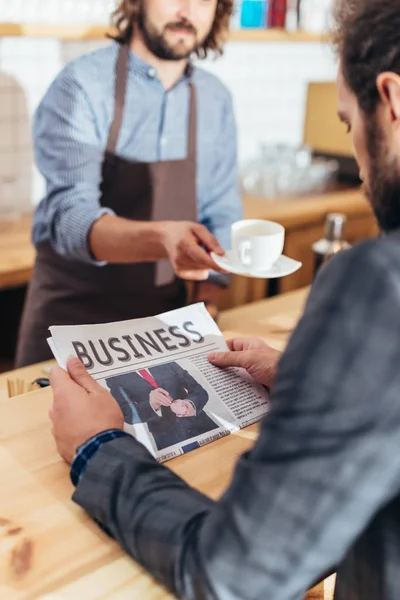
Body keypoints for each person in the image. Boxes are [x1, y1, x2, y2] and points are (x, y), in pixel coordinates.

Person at [48, 0, 400, 597]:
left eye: (346, 126)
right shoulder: (80, 84)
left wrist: (97, 448)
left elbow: (234, 574)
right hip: (81, 313)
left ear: (389, 102)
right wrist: (303, 374)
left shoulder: (378, 286)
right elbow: (64, 213)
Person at [15, 0, 242, 368]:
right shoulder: (82, 85)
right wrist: (163, 239)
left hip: (163, 327)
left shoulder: (216, 99)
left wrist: (209, 300)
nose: (187, 10)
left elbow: (222, 210)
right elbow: (70, 216)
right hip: (72, 325)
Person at [106, 362, 219, 450]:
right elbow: (127, 414)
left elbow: (198, 390)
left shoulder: (164, 361)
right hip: (168, 437)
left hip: (201, 425)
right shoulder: (114, 377)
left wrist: (189, 403)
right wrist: (151, 405)